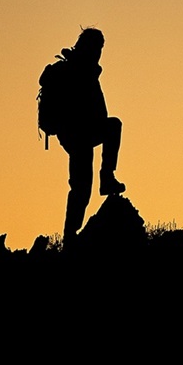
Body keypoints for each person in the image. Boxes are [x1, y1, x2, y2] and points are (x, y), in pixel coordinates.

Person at [53, 27, 126, 245]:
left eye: (100, 48)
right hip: (78, 134)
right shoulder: (78, 69)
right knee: (82, 186)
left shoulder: (85, 68)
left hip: (83, 132)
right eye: (97, 47)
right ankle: (69, 235)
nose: (99, 52)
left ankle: (106, 179)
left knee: (81, 185)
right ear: (87, 46)